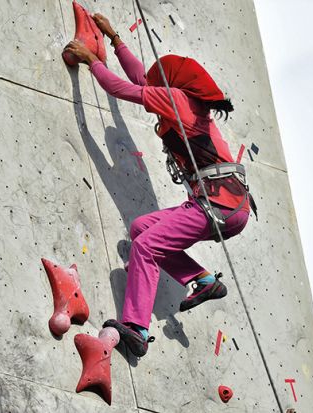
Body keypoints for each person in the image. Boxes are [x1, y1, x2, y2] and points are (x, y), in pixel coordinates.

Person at [64, 14, 253, 358]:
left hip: (218, 201)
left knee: (147, 247)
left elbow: (123, 88)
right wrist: (117, 41)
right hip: (223, 203)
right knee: (141, 229)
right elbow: (141, 80)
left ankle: (135, 329)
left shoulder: (179, 102)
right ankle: (204, 280)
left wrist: (92, 60)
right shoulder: (184, 104)